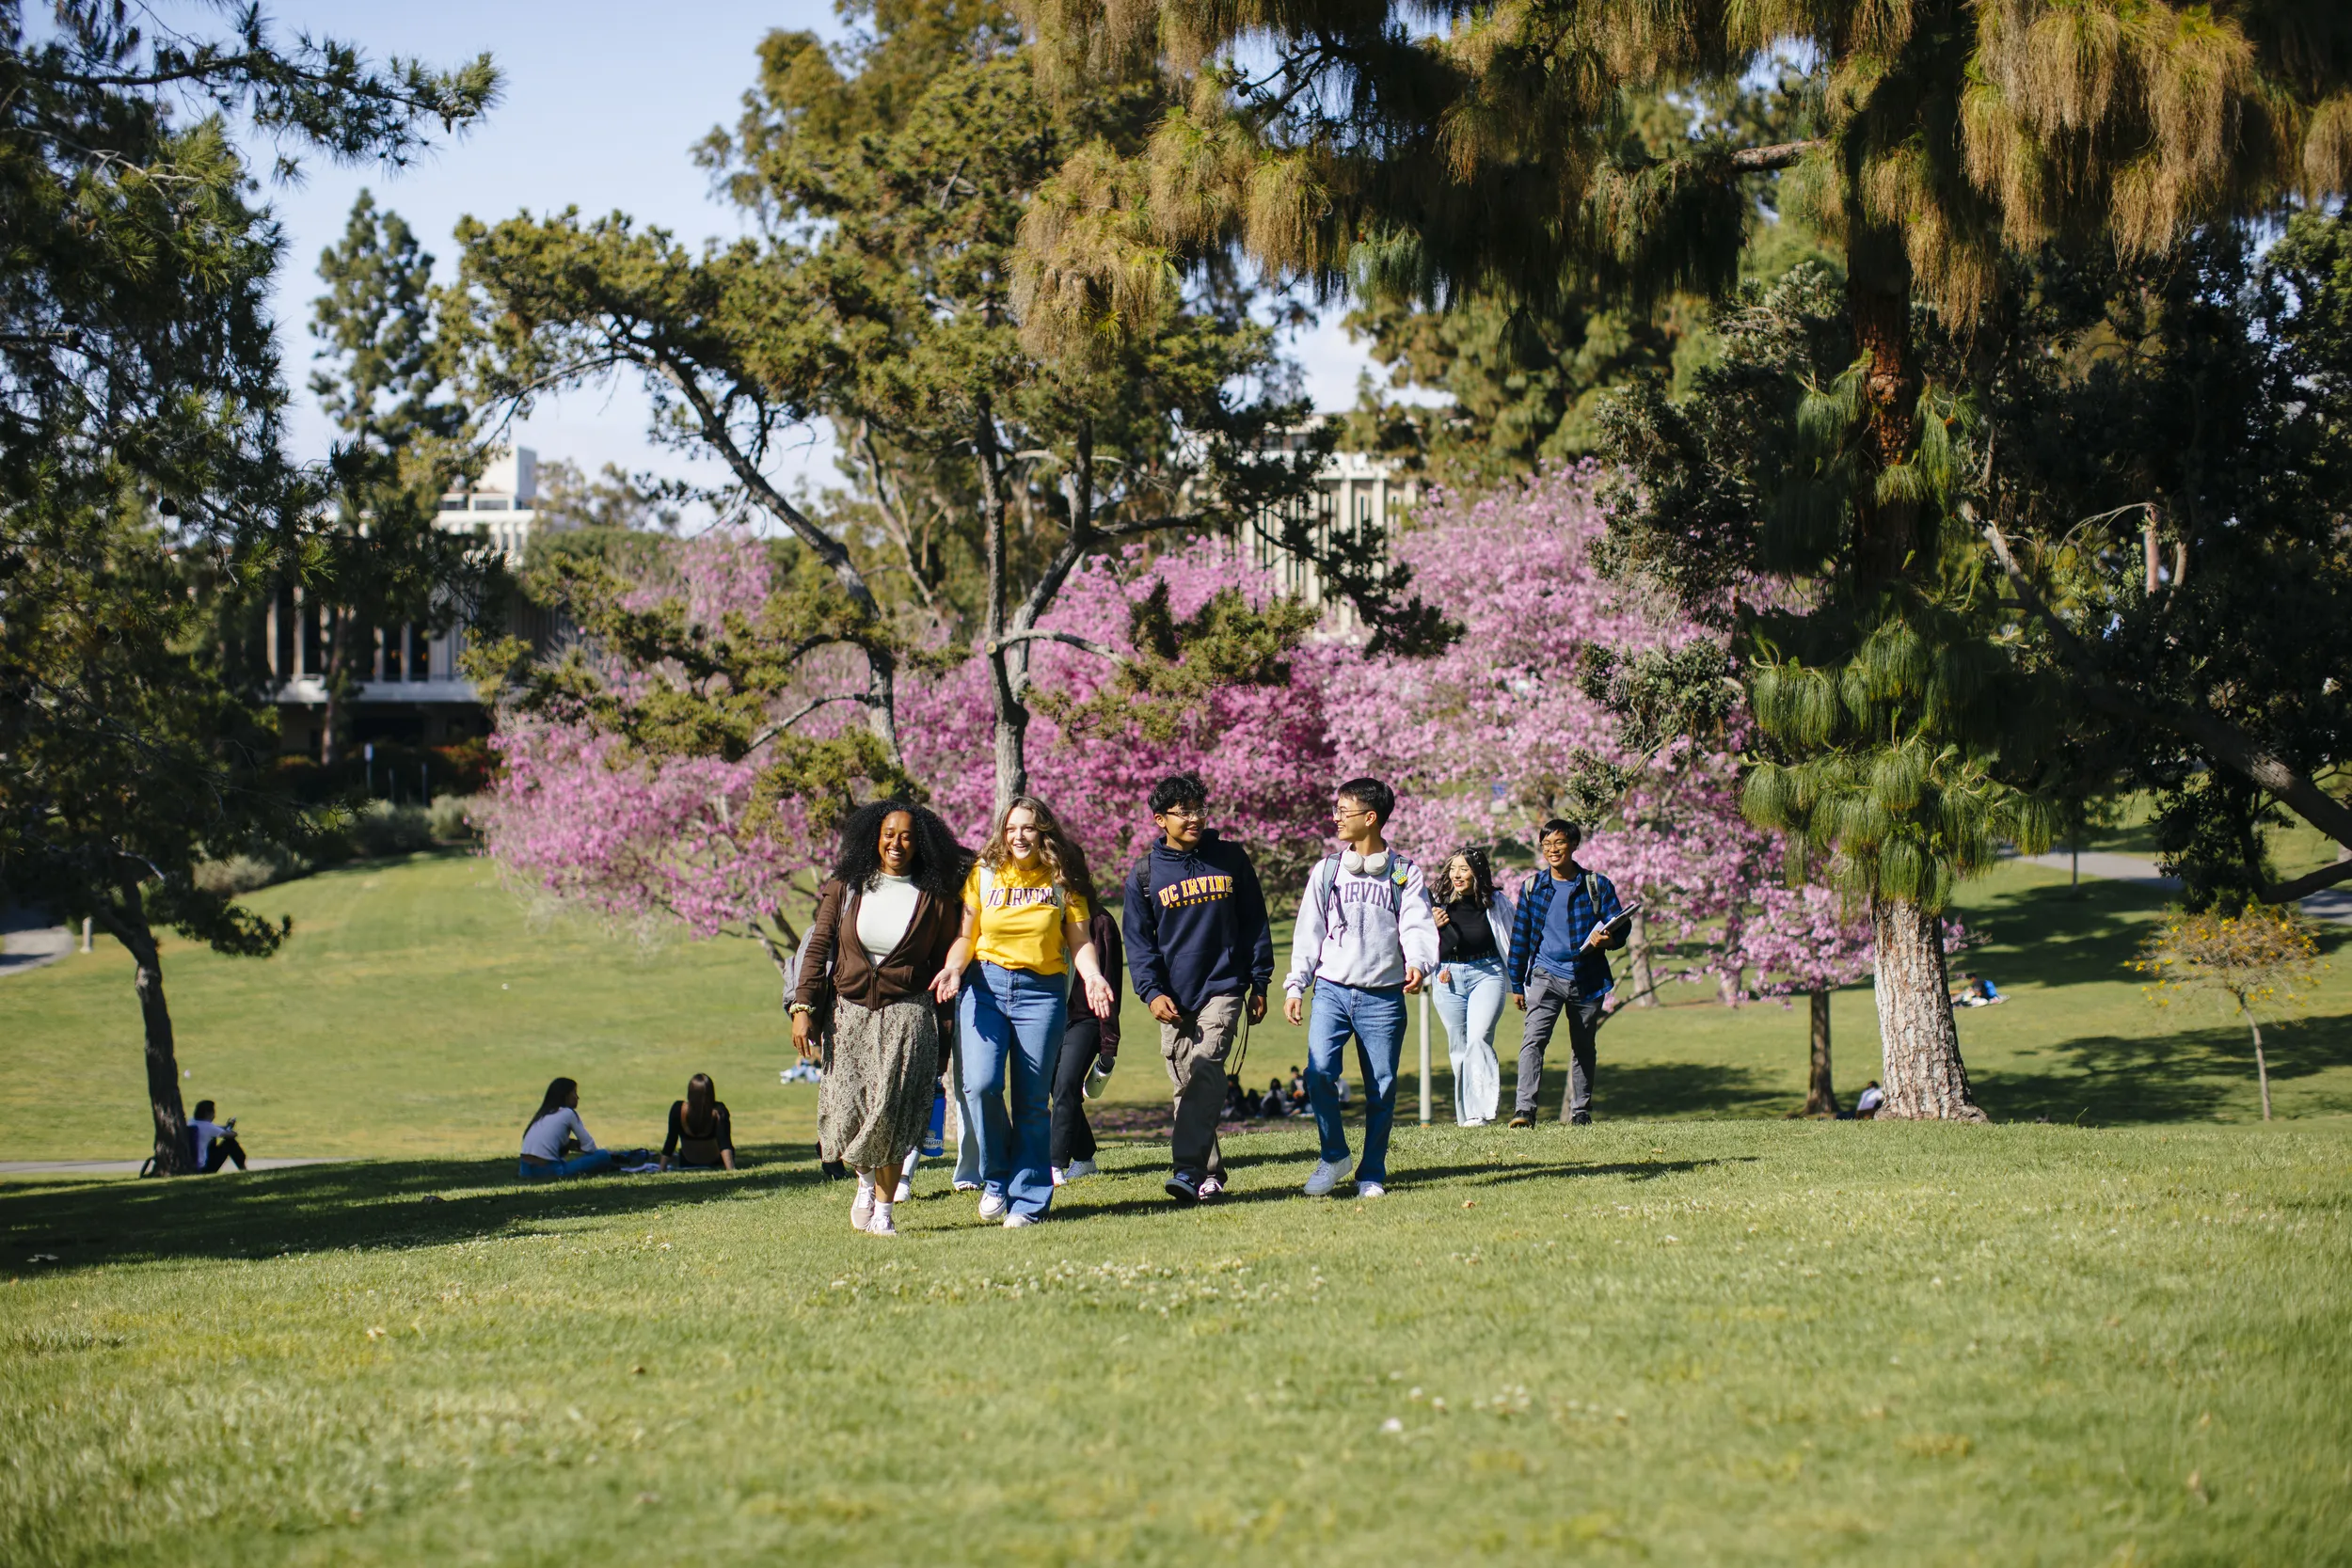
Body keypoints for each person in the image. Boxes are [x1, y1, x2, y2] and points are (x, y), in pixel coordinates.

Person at [935, 796, 1116, 1227]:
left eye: (1029, 828)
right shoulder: (984, 872)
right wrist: (954, 968)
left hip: (1042, 992)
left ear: (1043, 832)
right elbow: (966, 935)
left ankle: (1030, 1200)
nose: (1019, 836)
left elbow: (1079, 941)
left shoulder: (1061, 878)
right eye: (1012, 828)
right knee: (979, 1085)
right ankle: (997, 1177)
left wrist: (1091, 976)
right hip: (985, 986)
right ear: (1003, 831)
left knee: (1034, 1102)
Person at [794, 800, 969, 1238]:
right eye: (889, 833)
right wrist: (803, 1007)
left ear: (921, 842)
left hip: (907, 1014)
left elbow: (945, 964)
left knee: (891, 1114)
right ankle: (865, 1182)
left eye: (908, 835)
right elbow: (818, 948)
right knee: (849, 1109)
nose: (897, 843)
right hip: (848, 1013)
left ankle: (885, 1213)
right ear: (874, 836)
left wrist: (944, 1036)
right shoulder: (848, 885)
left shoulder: (935, 895)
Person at [1123, 771, 1276, 1204]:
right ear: (1159, 820)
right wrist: (1152, 993)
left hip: (1223, 985)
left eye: (1199, 810)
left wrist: (1259, 980)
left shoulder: (1230, 858)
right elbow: (1138, 943)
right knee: (1185, 1086)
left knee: (1206, 1066)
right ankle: (1208, 1174)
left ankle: (1187, 1170)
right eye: (1183, 812)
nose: (1194, 818)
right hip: (1172, 995)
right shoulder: (1144, 875)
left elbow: (1255, 923)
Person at [1282, 776, 1439, 1198]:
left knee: (1382, 1088)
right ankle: (1334, 1155)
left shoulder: (1405, 872)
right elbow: (1308, 931)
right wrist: (1297, 984)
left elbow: (1418, 925)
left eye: (1343, 811)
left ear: (1370, 818)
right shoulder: (1328, 870)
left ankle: (1371, 1172)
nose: (1335, 818)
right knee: (1317, 1075)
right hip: (1332, 990)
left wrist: (1420, 964)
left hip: (1383, 997)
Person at [1505, 819, 1628, 1127]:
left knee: (1583, 1045)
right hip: (1545, 976)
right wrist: (1517, 982)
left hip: (1588, 977)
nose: (1552, 850)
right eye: (1546, 845)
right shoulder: (1533, 888)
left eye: (1559, 843)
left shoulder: (1596, 886)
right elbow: (1521, 937)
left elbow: (1620, 927)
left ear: (1574, 845)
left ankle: (1581, 1110)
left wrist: (1607, 939)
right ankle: (1524, 1110)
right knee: (1533, 1040)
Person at [1052, 838, 1124, 1185]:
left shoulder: (1101, 922)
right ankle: (1085, 1156)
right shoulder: (1045, 917)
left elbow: (1110, 987)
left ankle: (1053, 1163)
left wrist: (1109, 1046)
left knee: (1066, 1085)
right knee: (1056, 1088)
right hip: (1050, 1016)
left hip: (1085, 1020)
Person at [1432, 847, 1514, 1126]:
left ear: (1477, 873)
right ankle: (1466, 1117)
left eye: (1464, 869)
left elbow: (1514, 942)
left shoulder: (1497, 903)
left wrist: (1521, 985)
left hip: (1487, 973)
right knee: (1459, 1047)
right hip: (1448, 976)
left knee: (1479, 1039)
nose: (1457, 875)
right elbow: (1410, 933)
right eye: (1453, 868)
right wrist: (1430, 924)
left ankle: (1481, 1114)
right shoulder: (1436, 903)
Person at [519, 1078, 620, 1179]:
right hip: (550, 1170)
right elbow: (590, 1148)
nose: (577, 1097)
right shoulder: (568, 1113)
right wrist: (576, 1146)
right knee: (602, 1155)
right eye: (574, 1093)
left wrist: (570, 1144)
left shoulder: (543, 1114)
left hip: (525, 1170)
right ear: (566, 1095)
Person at [660, 1073, 736, 1171]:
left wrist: (661, 1168)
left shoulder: (678, 1109)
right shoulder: (719, 1111)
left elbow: (671, 1141)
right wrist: (731, 1170)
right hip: (714, 1161)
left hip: (687, 1161)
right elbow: (725, 1143)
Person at [186, 1101, 246, 1173]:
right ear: (207, 1113)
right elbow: (230, 1135)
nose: (214, 1116)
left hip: (192, 1164)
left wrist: (226, 1127)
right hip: (204, 1168)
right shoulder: (208, 1127)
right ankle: (242, 1168)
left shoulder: (191, 1121)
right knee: (230, 1143)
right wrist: (232, 1131)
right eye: (213, 1113)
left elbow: (215, 1129)